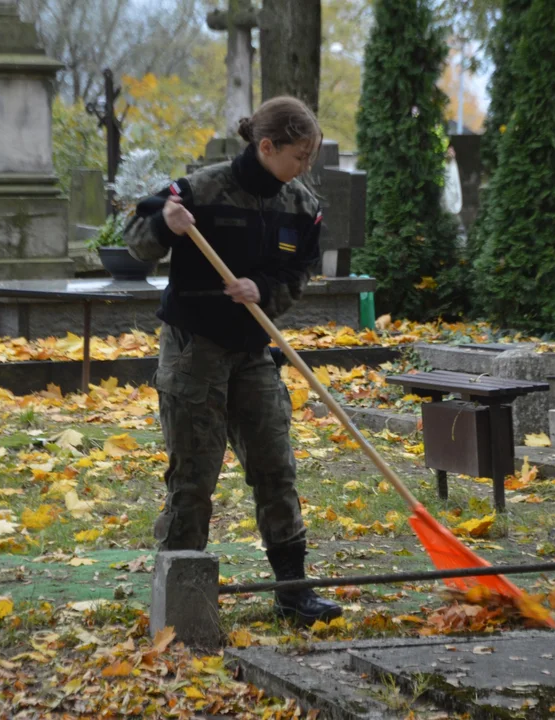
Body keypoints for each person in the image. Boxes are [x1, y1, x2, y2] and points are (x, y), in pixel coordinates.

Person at [123, 96, 342, 626]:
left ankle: (293, 593)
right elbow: (135, 241)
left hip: (252, 349)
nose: (305, 166)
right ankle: (180, 601)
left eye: (311, 156)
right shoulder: (200, 189)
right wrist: (166, 225)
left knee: (276, 467)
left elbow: (298, 277)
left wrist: (262, 289)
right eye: (299, 155)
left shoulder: (300, 206)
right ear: (266, 146)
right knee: (194, 476)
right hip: (194, 346)